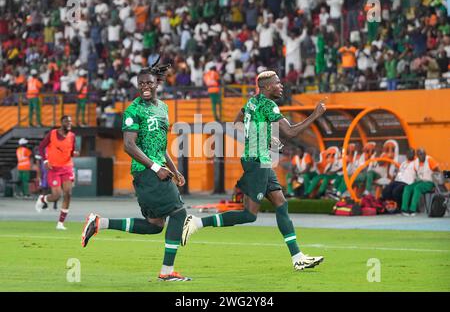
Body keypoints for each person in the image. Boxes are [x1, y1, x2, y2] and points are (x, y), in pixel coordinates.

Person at [182, 71, 327, 272]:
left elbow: (237, 122)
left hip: (260, 159)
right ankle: (197, 222)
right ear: (267, 87)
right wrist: (315, 114)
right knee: (249, 215)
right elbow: (291, 132)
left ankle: (297, 257)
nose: (281, 86)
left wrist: (263, 138)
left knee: (281, 203)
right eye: (277, 83)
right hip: (257, 161)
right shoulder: (269, 105)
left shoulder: (252, 102)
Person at [80, 63, 191, 282]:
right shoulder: (133, 110)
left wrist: (175, 170)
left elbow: (159, 146)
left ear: (156, 83)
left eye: (149, 82)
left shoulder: (163, 108)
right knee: (179, 214)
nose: (145, 87)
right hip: (146, 172)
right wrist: (156, 167)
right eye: (141, 83)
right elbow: (129, 146)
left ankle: (99, 223)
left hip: (158, 169)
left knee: (155, 226)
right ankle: (167, 272)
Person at [34, 115, 78, 230]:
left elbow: (72, 151)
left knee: (68, 194)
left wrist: (74, 154)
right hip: (53, 168)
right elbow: (41, 147)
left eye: (70, 122)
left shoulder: (72, 136)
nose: (69, 123)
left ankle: (60, 223)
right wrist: (46, 161)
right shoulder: (52, 134)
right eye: (67, 121)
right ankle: (43, 199)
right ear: (61, 123)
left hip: (67, 167)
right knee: (56, 195)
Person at [401, 148, 440, 216]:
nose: (422, 156)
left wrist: (437, 184)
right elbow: (415, 173)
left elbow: (437, 172)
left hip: (430, 182)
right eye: (419, 154)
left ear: (425, 154)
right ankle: (404, 209)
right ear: (417, 155)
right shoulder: (416, 162)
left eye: (423, 154)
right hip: (421, 181)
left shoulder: (429, 159)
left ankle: (412, 210)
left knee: (417, 187)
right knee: (407, 187)